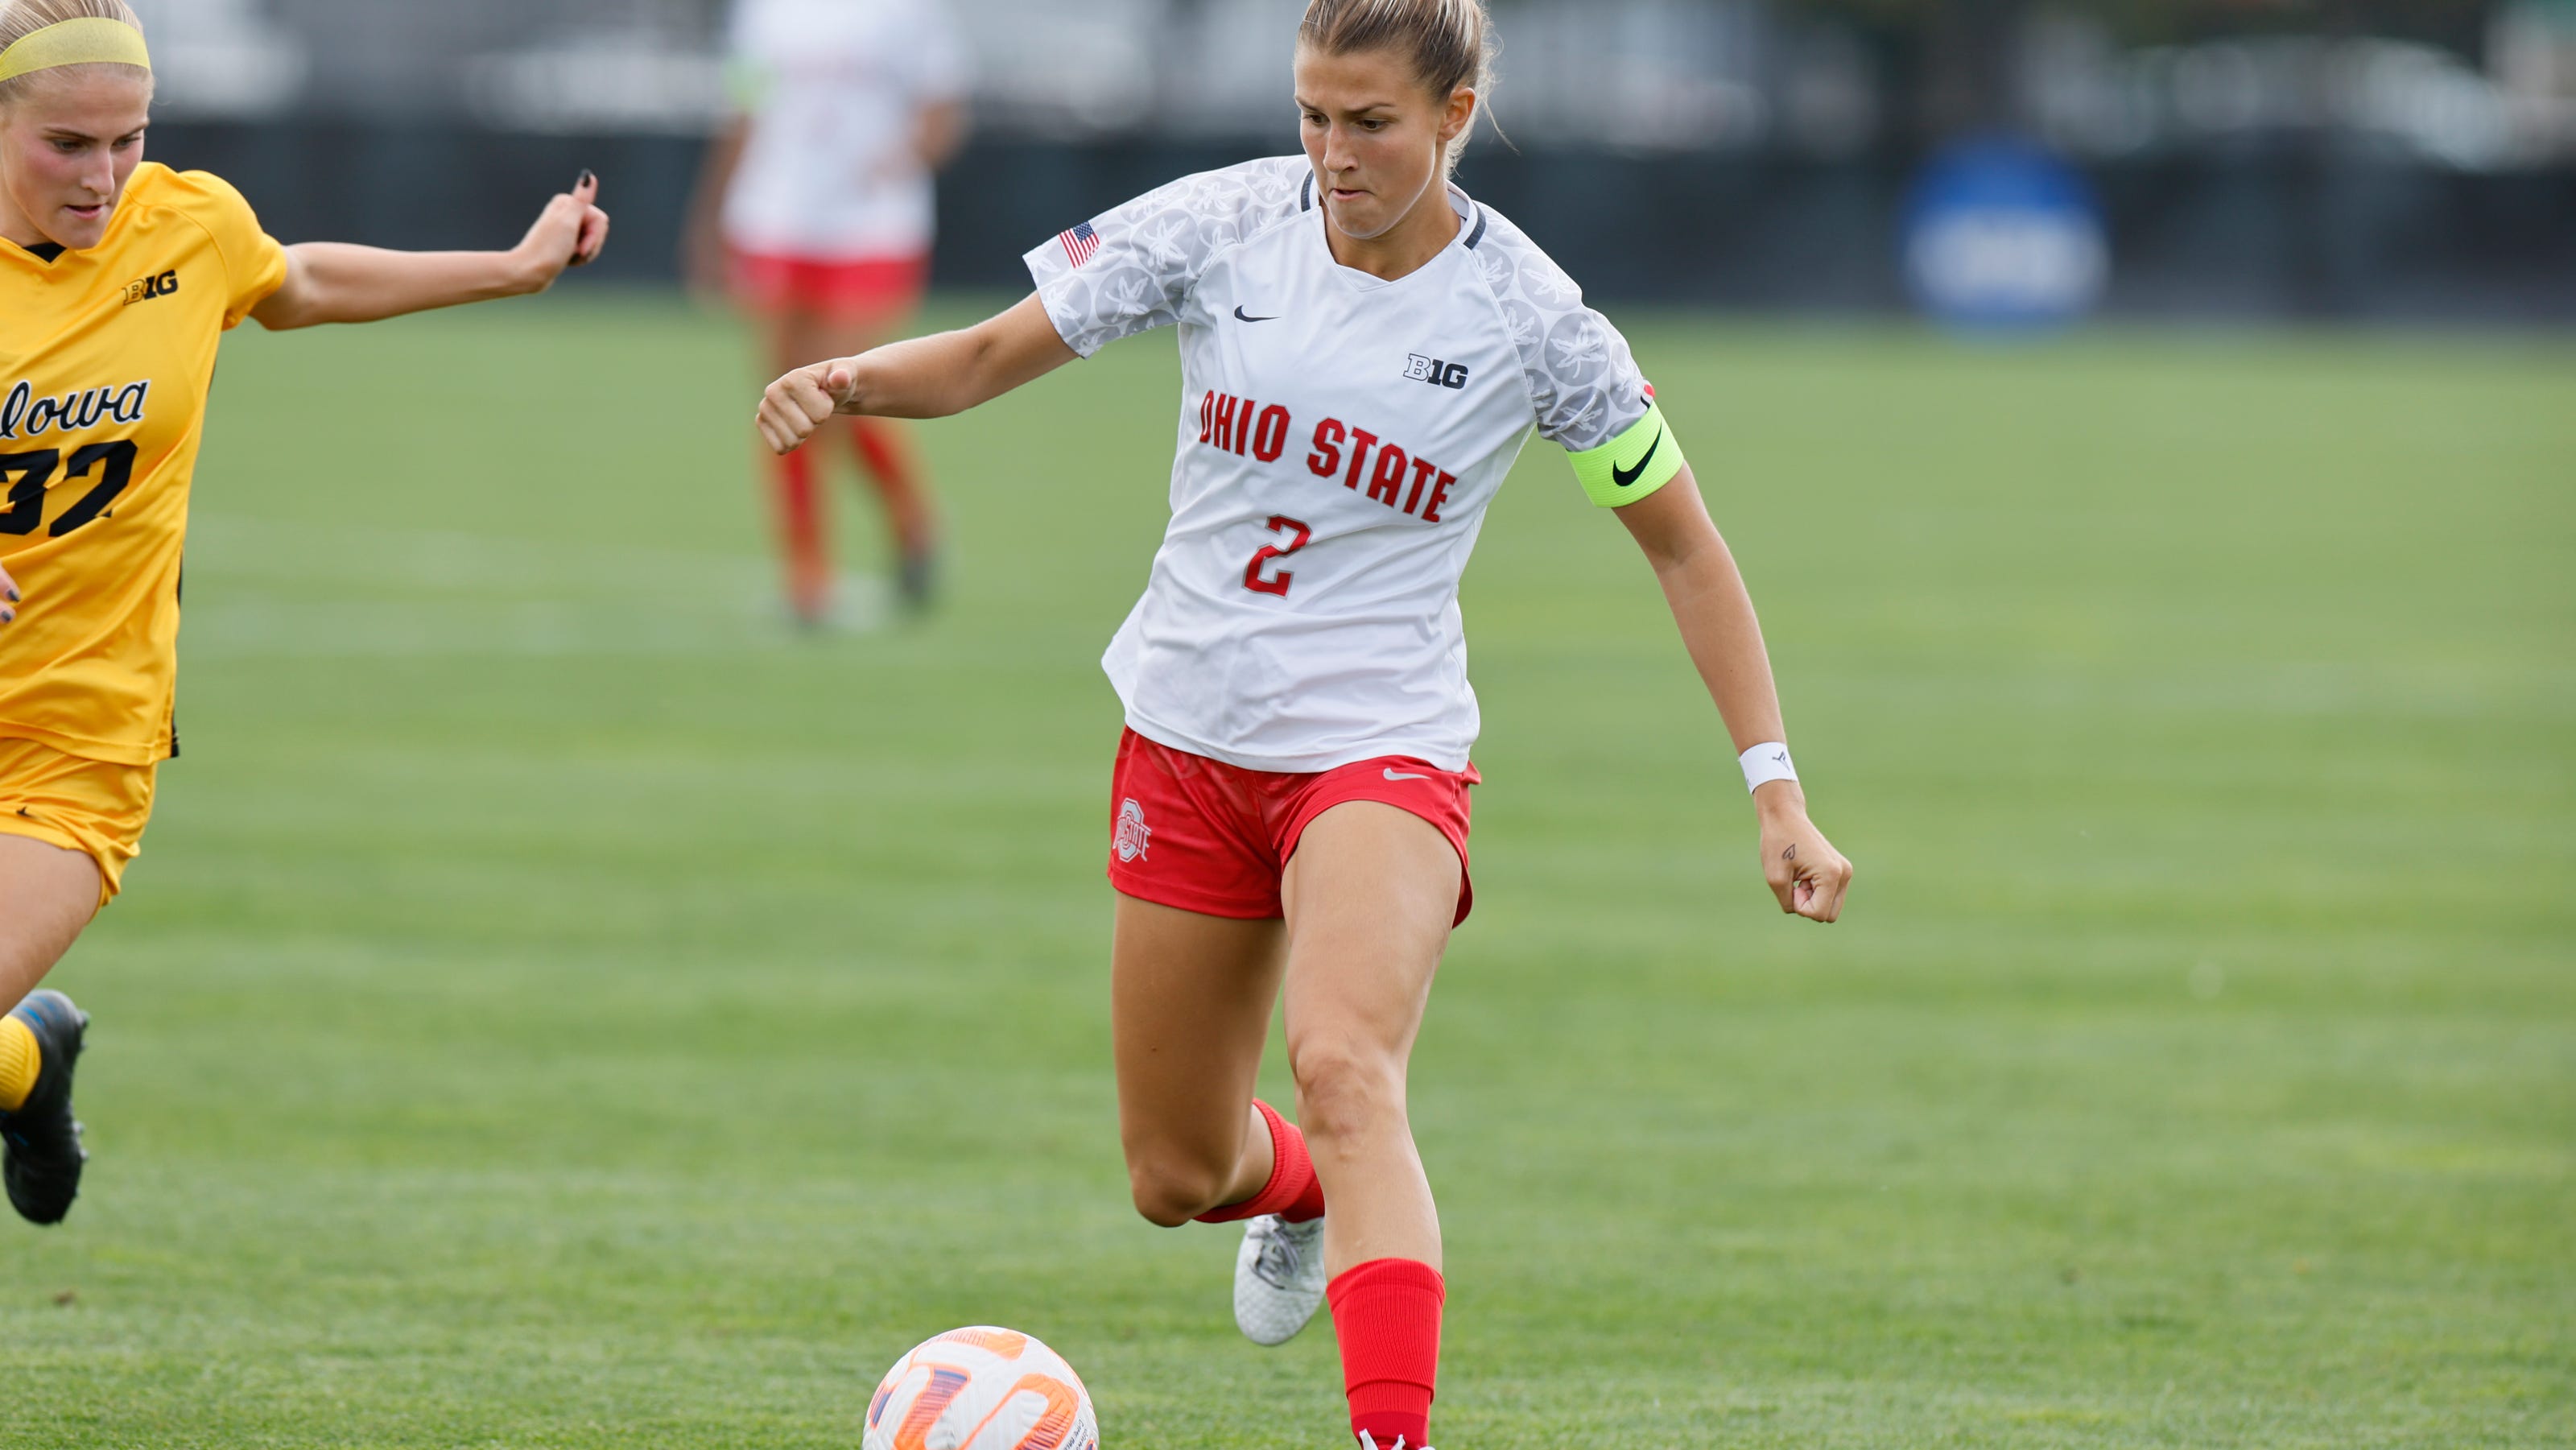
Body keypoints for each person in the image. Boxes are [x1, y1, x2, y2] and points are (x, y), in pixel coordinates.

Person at [757, 1, 1855, 1445]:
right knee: (1175, 1169)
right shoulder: (1219, 224)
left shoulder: (1535, 318)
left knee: (1344, 1067)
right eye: (1314, 116)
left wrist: (1774, 787)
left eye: (1373, 124)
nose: (1333, 154)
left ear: (1455, 116)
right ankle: (1309, 1191)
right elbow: (979, 358)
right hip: (1189, 740)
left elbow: (1683, 547)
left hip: (1380, 750)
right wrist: (852, 381)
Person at [0, 0, 608, 1228]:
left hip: (76, 740)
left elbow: (299, 278)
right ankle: (27, 1062)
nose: (106, 176)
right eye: (68, 144)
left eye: (129, 138)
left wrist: (514, 266)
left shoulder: (188, 225)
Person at [687, 0, 971, 624]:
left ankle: (911, 517)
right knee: (782, 395)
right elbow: (744, 109)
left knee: (841, 391)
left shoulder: (910, 12)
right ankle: (806, 573)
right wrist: (709, 217)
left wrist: (898, 162)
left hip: (870, 222)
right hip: (777, 215)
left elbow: (943, 112)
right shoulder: (764, 13)